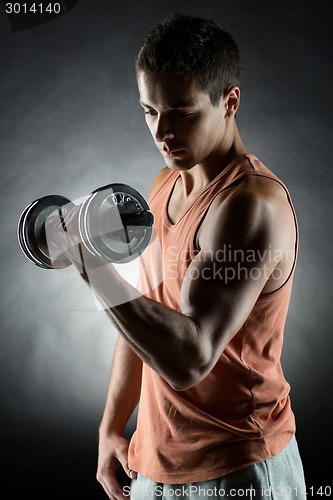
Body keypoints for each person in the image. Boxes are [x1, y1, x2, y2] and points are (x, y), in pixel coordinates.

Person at [58, 12, 307, 500]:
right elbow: (145, 314)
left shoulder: (249, 204)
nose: (161, 131)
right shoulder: (164, 183)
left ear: (229, 101)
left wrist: (90, 265)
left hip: (238, 470)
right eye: (149, 111)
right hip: (154, 464)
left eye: (182, 112)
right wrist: (112, 427)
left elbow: (191, 356)